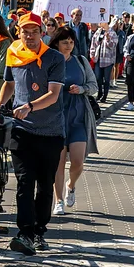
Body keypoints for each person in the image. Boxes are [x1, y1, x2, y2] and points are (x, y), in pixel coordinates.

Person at [0, 13, 64, 255]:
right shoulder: (13, 53)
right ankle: (24, 232)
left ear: (42, 32)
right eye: (25, 31)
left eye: (34, 31)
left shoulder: (53, 57)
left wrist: (30, 106)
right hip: (22, 130)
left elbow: (53, 94)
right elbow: (9, 84)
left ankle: (39, 230)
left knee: (45, 185)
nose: (29, 36)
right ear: (18, 32)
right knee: (24, 181)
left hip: (51, 132)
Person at [47, 28, 98, 216]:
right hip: (56, 118)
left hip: (77, 118)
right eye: (64, 42)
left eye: (71, 42)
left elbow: (94, 86)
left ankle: (71, 184)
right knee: (58, 162)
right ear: (56, 44)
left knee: (78, 161)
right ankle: (58, 200)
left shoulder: (81, 62)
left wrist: (82, 89)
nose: (69, 46)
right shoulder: (50, 62)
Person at [89, 21, 119, 104]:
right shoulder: (98, 32)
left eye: (101, 21)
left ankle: (105, 96)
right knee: (98, 78)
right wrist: (92, 53)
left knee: (106, 79)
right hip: (98, 58)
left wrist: (108, 39)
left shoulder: (112, 33)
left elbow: (113, 46)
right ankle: (99, 93)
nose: (99, 23)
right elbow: (93, 44)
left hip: (108, 60)